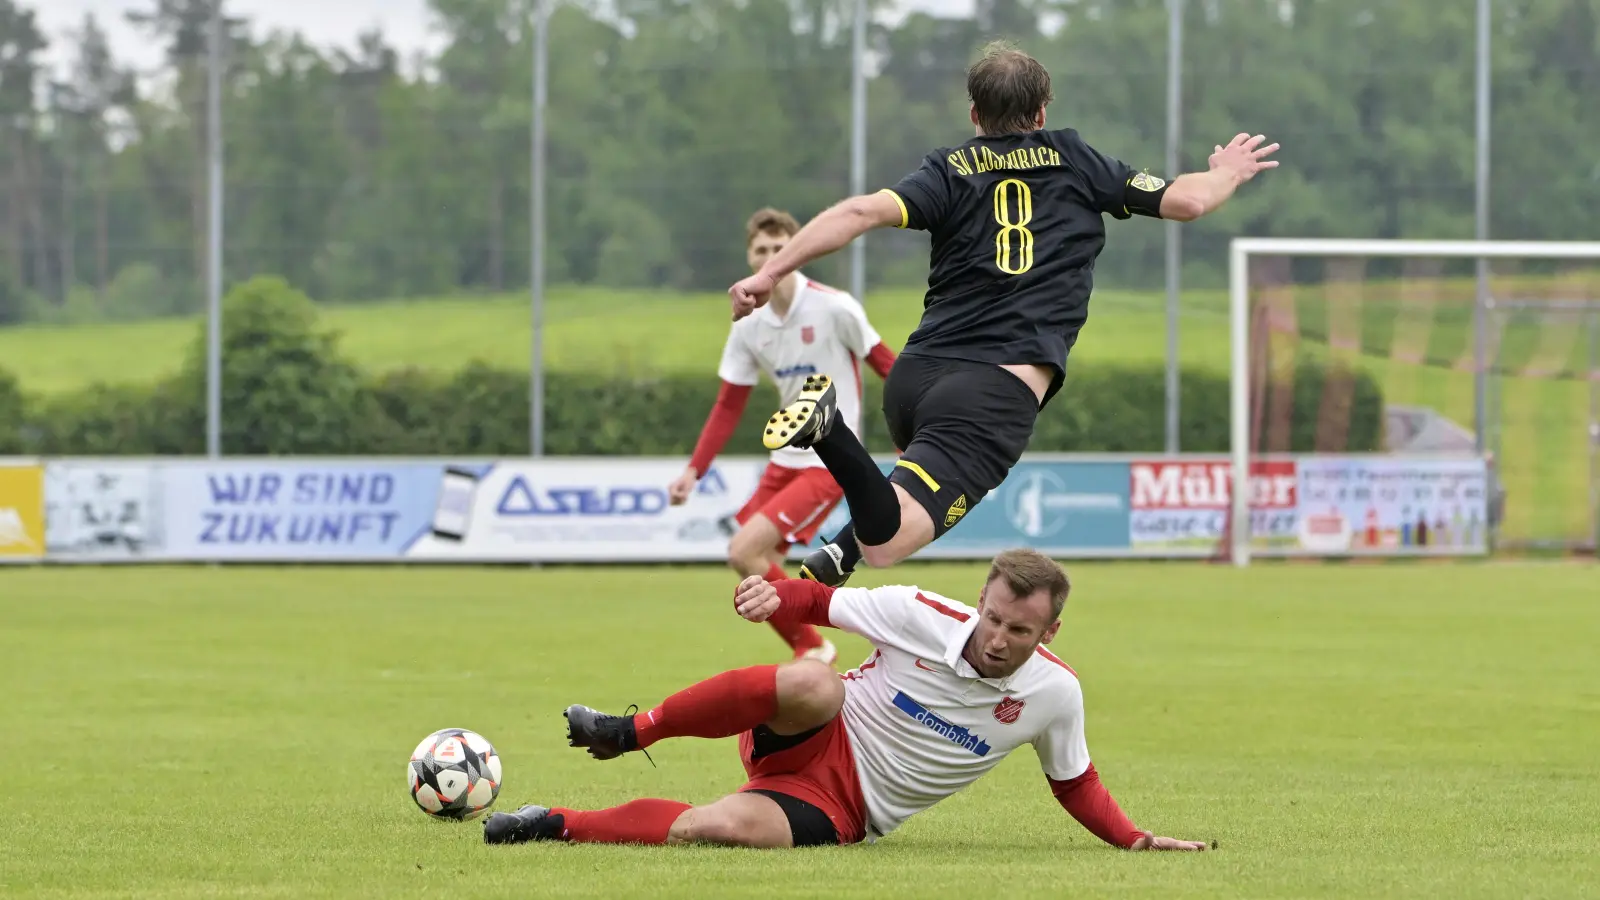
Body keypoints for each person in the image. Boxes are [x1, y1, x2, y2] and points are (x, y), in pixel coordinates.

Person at [728, 42, 1281, 586]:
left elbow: (857, 212)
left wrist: (769, 273)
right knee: (888, 545)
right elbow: (1188, 201)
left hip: (915, 376)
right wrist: (1228, 171)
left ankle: (841, 549)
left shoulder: (947, 169)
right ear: (1041, 113)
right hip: (991, 390)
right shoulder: (1074, 159)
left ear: (974, 114)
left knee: (905, 498)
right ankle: (829, 434)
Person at [483, 549, 1208, 852]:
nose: (996, 638)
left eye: (1018, 631)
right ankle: (630, 731)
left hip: (844, 808)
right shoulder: (920, 612)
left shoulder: (1055, 692)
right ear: (980, 602)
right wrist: (773, 593)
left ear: (1048, 632)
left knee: (715, 828)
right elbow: (819, 602)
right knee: (814, 680)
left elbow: (1075, 782)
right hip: (813, 731)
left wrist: (1135, 839)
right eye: (992, 618)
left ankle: (554, 823)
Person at [668, 207, 898, 664]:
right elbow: (728, 404)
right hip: (784, 460)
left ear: (798, 251)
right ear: (750, 258)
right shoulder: (749, 324)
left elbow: (889, 368)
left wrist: (907, 432)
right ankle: (814, 643)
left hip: (829, 459)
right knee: (753, 561)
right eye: (762, 250)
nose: (770, 255)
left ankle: (814, 647)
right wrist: (694, 471)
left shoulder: (835, 307)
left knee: (744, 551)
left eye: (780, 247)